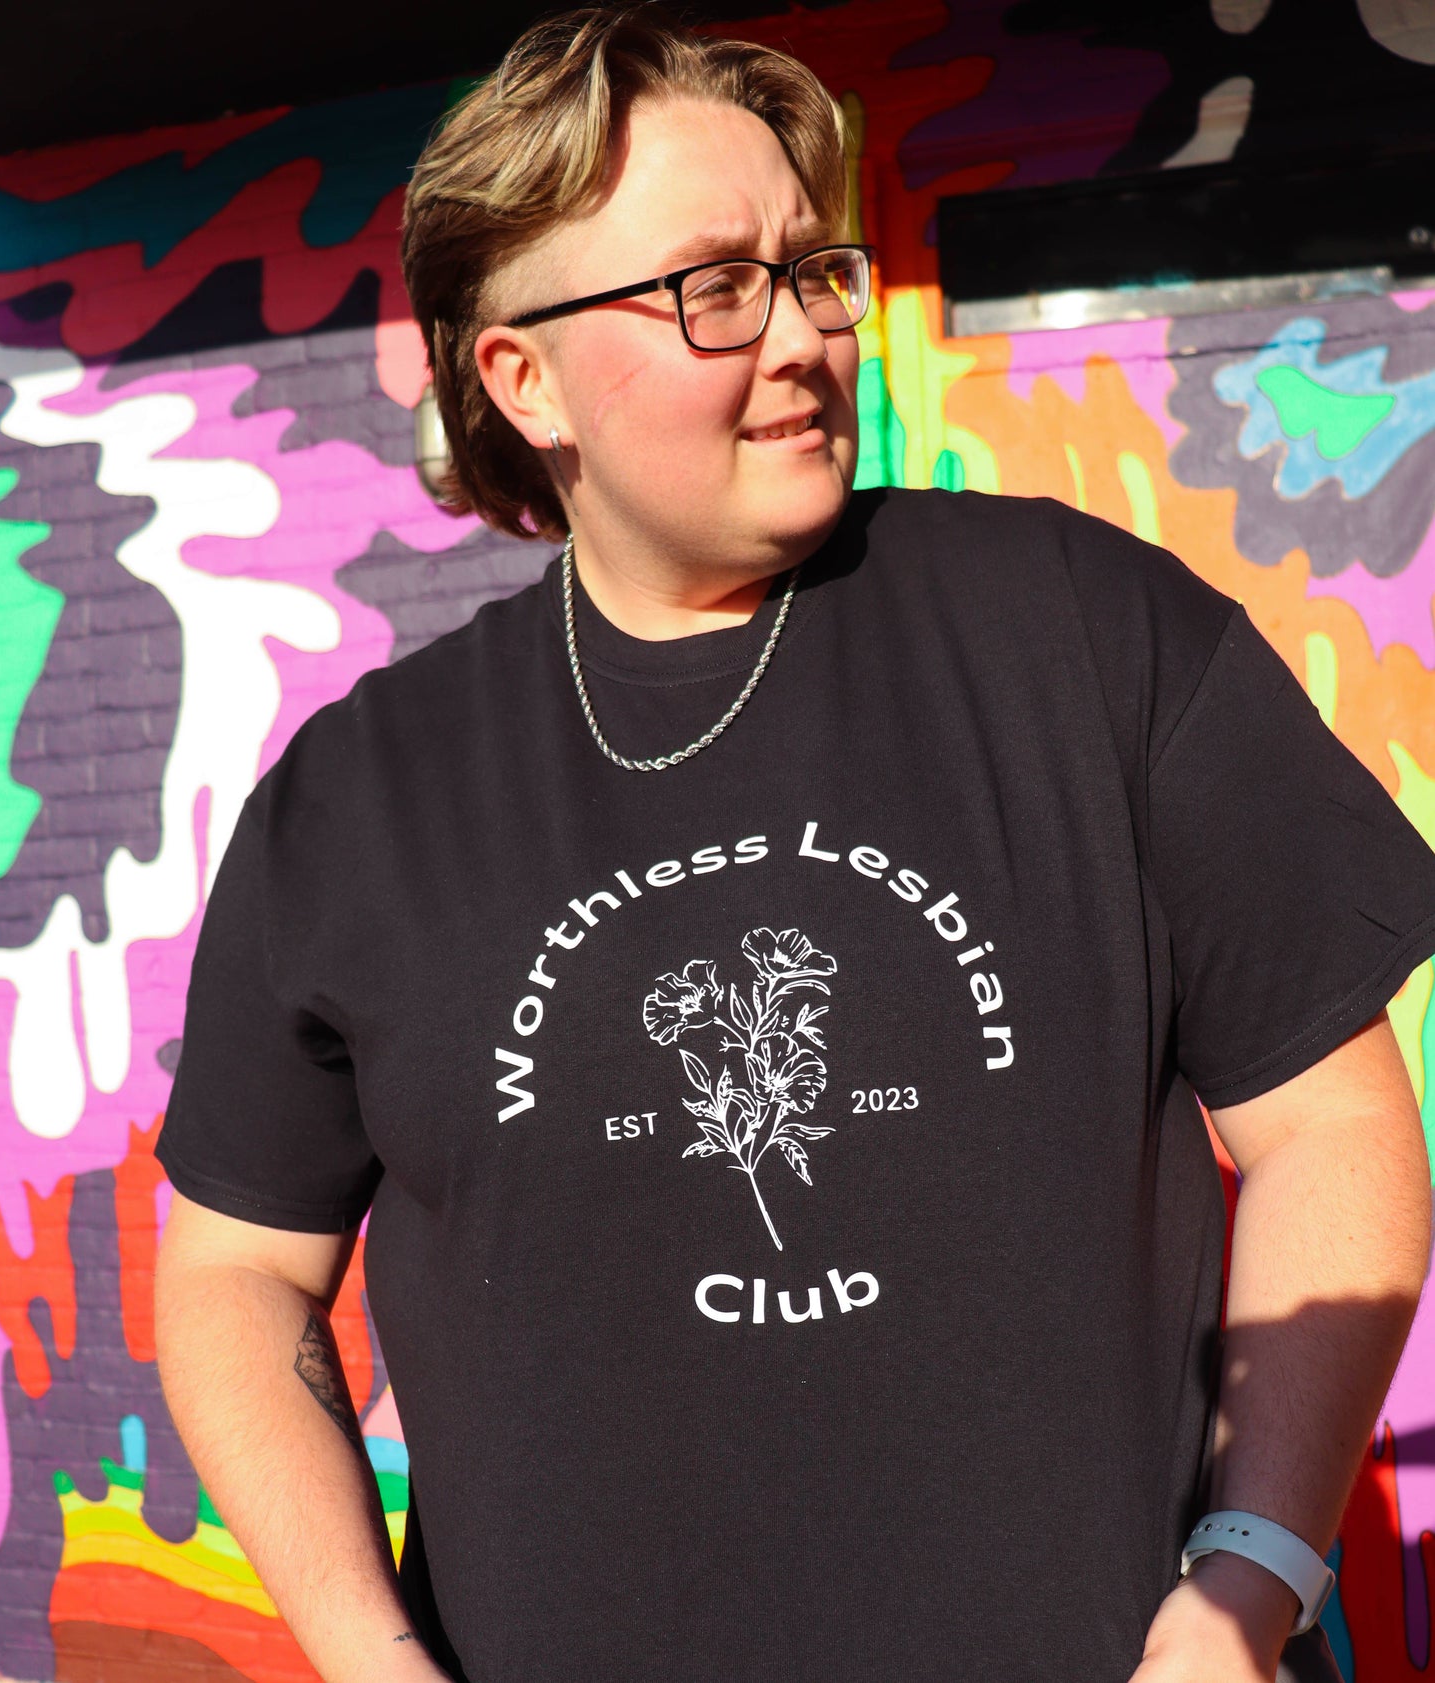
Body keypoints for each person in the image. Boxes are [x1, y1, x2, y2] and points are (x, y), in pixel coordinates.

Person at [151, 8, 1435, 1683]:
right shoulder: (359, 798)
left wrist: (1244, 1585)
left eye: (811, 269)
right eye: (711, 287)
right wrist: (373, 1657)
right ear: (523, 380)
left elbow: (1328, 1125)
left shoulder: (1076, 628)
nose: (801, 335)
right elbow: (236, 1272)